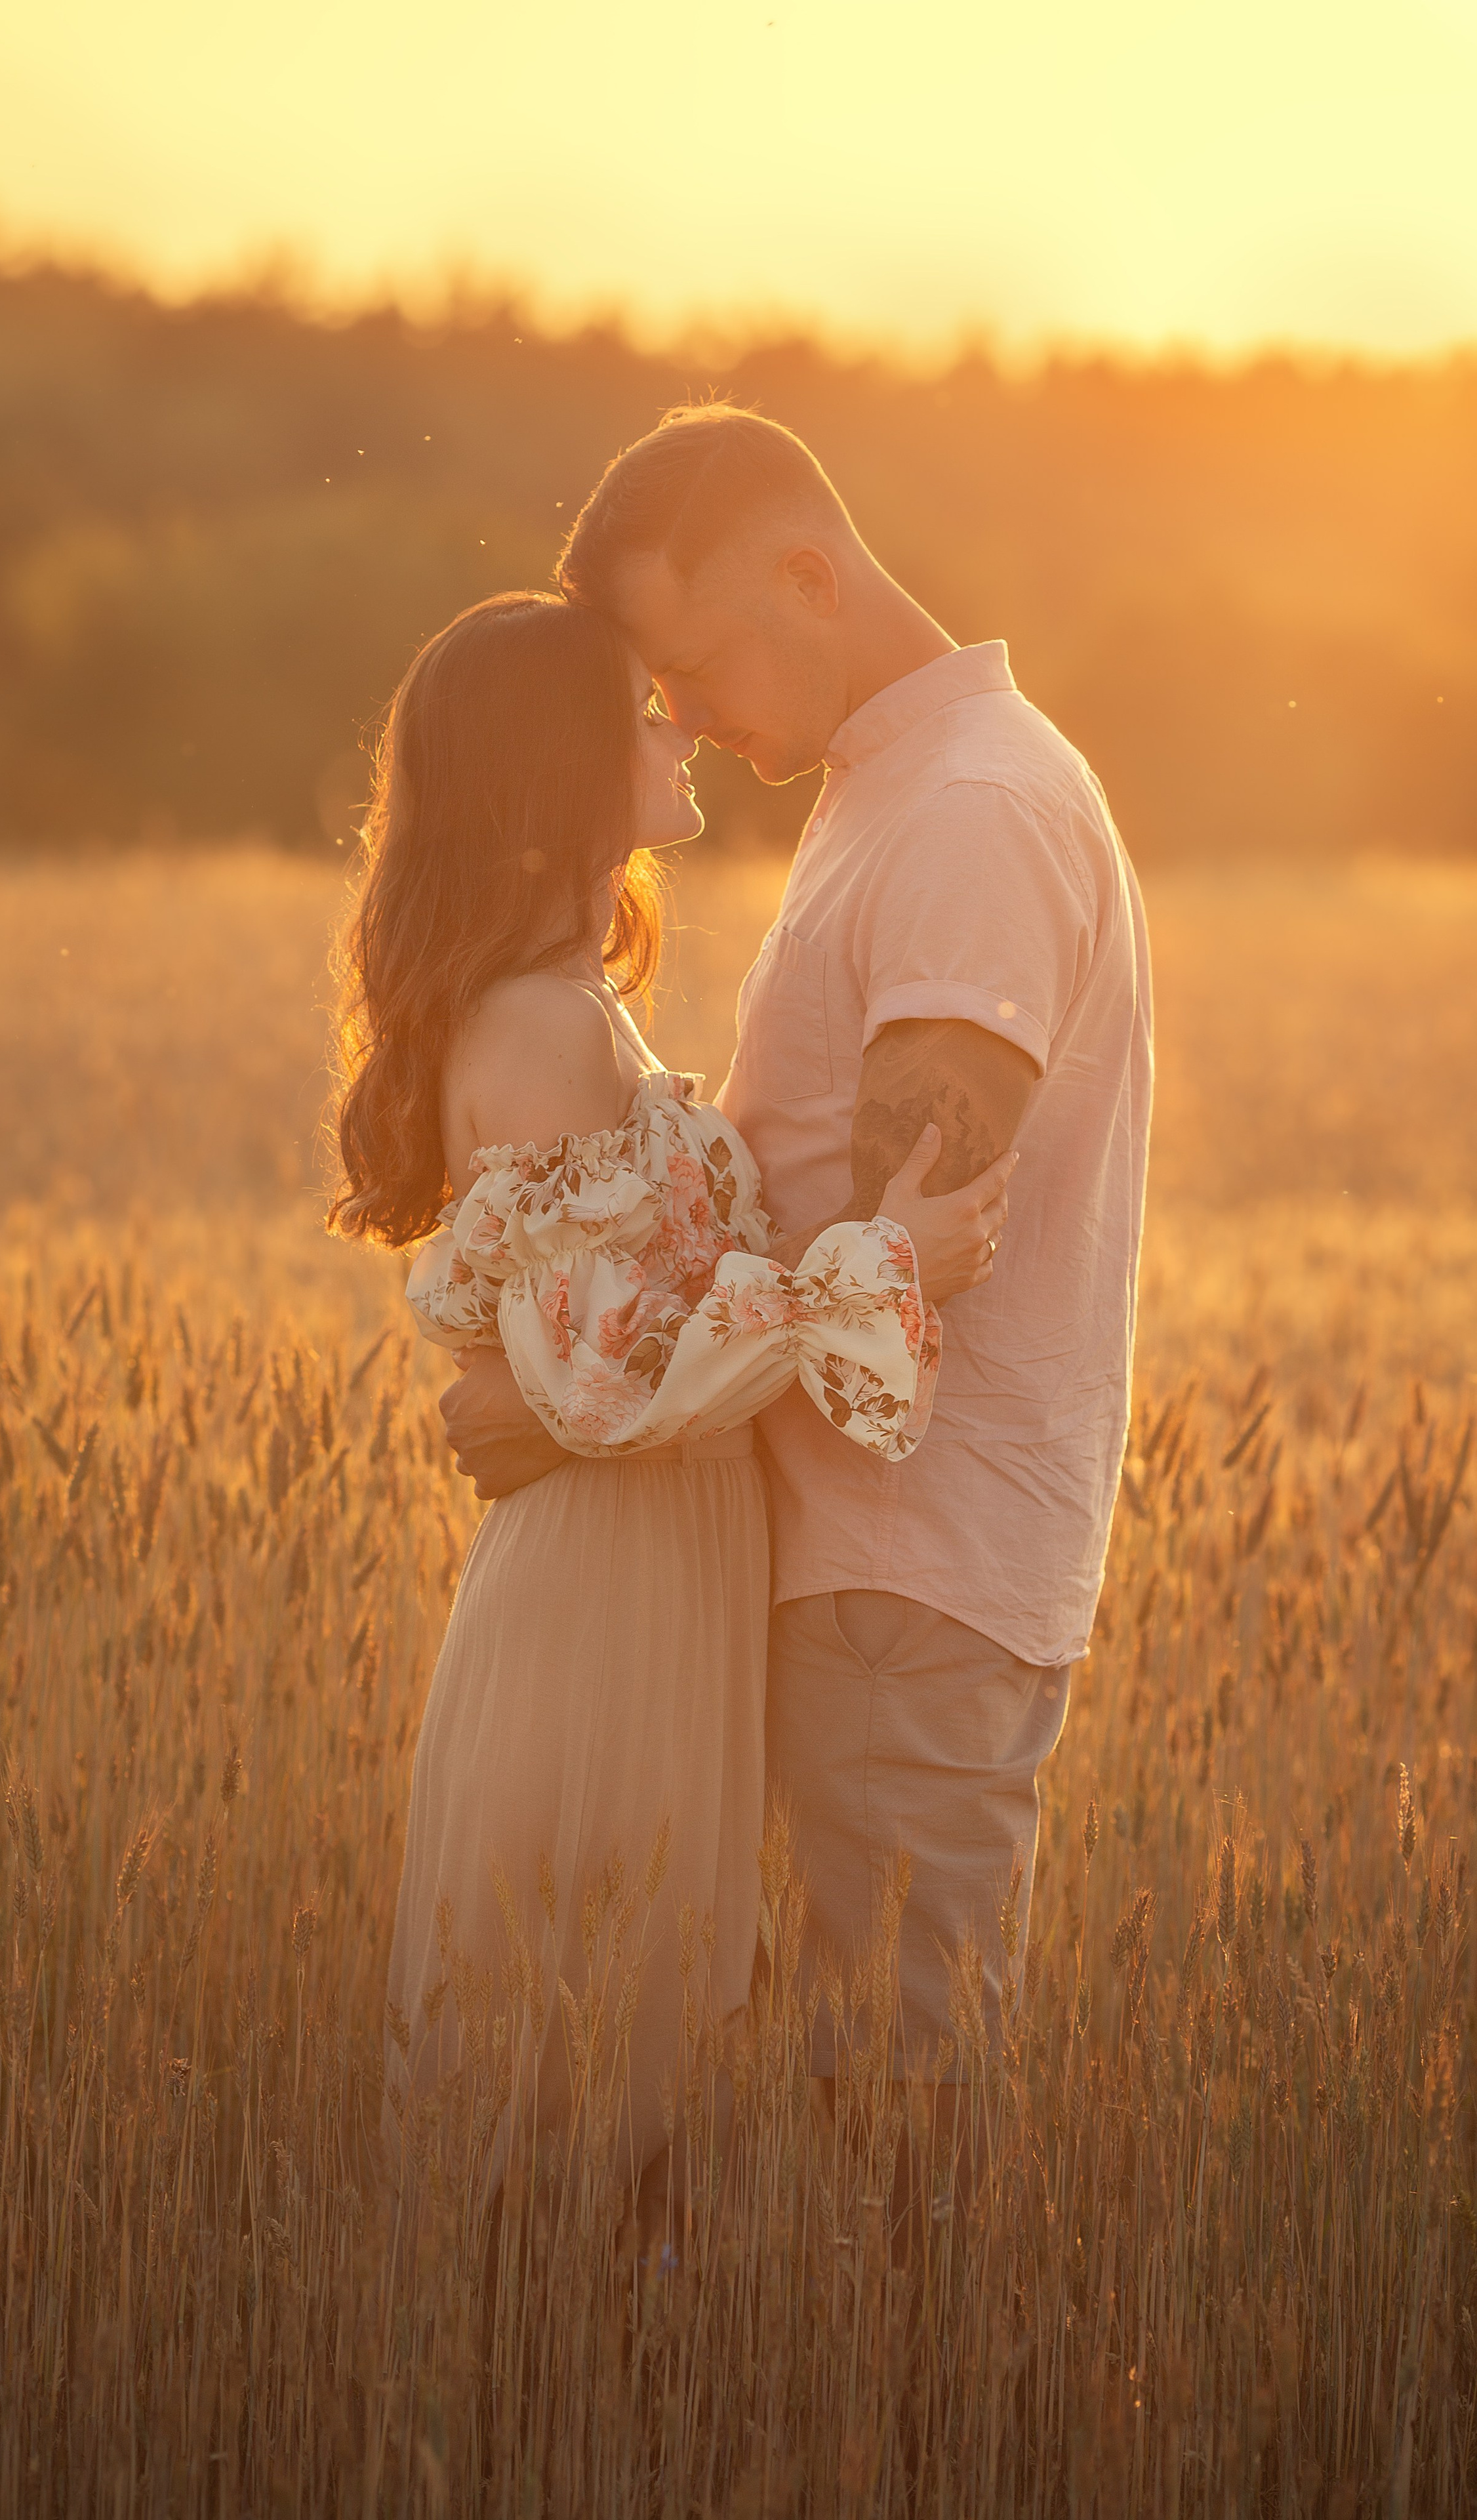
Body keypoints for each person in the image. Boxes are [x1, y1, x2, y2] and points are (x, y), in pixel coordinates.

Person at [443, 408, 1153, 2132]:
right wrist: (588, 1380)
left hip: (901, 1566)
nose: (681, 714)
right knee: (806, 2099)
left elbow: (922, 1238)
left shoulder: (970, 807)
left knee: (893, 2107)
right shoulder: (892, 788)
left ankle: (901, 2345)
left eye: (690, 663)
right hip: (837, 1553)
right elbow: (844, 1230)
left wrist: (577, 1398)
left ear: (809, 577)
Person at [327, 589, 1013, 2212]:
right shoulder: (539, 1025)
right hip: (605, 1598)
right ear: (552, 764)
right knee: (570, 2054)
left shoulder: (577, 1011)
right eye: (642, 708)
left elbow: (612, 1346)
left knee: (630, 2036)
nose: (680, 724)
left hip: (658, 1569)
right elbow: (609, 1371)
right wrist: (883, 1261)